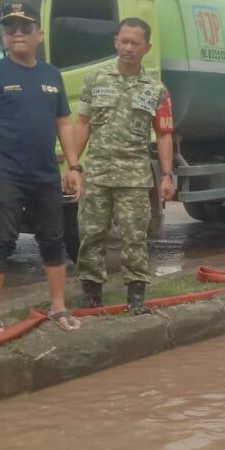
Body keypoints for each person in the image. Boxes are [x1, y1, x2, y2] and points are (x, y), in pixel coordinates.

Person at [0, 1, 83, 334]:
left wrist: (74, 166)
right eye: (10, 28)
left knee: (53, 240)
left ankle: (59, 307)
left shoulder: (52, 75)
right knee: (2, 240)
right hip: (6, 172)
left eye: (25, 27)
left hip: (46, 174)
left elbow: (64, 124)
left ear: (40, 34)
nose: (17, 33)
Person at [74, 18, 176, 314]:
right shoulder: (95, 80)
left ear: (147, 48)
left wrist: (168, 175)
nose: (128, 48)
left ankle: (136, 298)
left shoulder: (157, 89)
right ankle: (91, 294)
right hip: (97, 174)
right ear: (116, 41)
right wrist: (73, 166)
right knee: (91, 234)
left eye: (135, 43)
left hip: (134, 177)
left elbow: (165, 134)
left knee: (135, 237)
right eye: (124, 41)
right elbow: (82, 124)